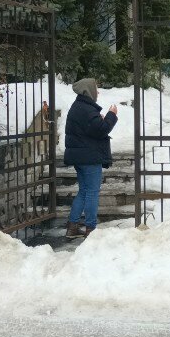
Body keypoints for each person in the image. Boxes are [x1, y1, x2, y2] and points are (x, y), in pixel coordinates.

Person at [63, 78, 117, 239]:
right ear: (89, 90)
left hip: (81, 157)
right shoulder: (86, 109)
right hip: (89, 158)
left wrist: (100, 120)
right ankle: (91, 229)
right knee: (92, 192)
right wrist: (111, 115)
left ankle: (72, 228)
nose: (98, 92)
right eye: (96, 88)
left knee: (84, 191)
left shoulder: (79, 107)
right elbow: (102, 130)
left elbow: (91, 129)